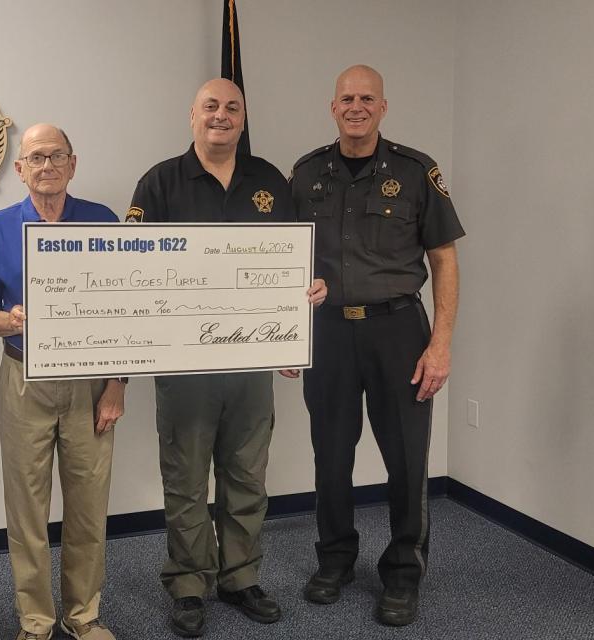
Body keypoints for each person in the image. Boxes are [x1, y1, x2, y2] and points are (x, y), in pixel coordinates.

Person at [128, 78, 327, 637]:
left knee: (247, 474)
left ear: (243, 118)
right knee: (186, 477)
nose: (221, 116)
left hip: (250, 365)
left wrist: (297, 319)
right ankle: (189, 583)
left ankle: (240, 577)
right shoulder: (160, 182)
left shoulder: (269, 181)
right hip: (184, 366)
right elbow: (133, 269)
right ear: (192, 115)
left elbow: (291, 264)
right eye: (210, 106)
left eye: (232, 108)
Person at [287, 65, 465, 626]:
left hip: (398, 331)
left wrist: (440, 344)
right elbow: (284, 258)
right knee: (331, 455)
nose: (356, 106)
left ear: (383, 107)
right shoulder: (306, 173)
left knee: (408, 459)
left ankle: (403, 573)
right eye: (347, 98)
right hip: (330, 331)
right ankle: (335, 559)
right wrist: (287, 333)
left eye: (367, 98)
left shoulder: (416, 171)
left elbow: (444, 261)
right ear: (332, 106)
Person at [0, 123, 125, 640]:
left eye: (57, 156)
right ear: (20, 169)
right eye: (36, 157)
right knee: (27, 505)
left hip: (91, 380)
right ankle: (35, 621)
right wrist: (9, 320)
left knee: (88, 502)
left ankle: (83, 616)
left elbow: (129, 311)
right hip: (23, 377)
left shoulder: (102, 221)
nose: (47, 166)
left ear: (73, 165)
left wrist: (117, 385)